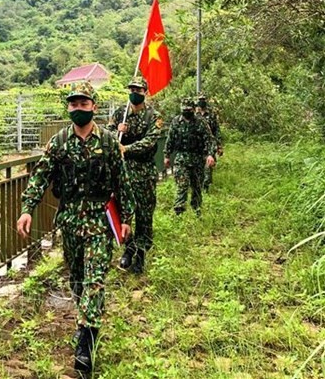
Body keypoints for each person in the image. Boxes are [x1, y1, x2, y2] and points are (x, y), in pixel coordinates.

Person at [16, 82, 135, 374]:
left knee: (95, 279)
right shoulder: (58, 142)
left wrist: (128, 217)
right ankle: (86, 319)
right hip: (69, 219)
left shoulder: (107, 142)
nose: (78, 109)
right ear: (68, 107)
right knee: (78, 279)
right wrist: (27, 209)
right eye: (73, 104)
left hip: (98, 220)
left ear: (94, 106)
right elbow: (40, 176)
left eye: (83, 104)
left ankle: (86, 341)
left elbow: (122, 181)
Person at [107, 77, 163, 274]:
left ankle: (140, 255)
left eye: (138, 90)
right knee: (125, 213)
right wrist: (117, 133)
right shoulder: (120, 114)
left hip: (144, 172)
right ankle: (128, 250)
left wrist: (126, 148)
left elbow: (150, 142)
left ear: (145, 92)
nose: (134, 93)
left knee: (144, 215)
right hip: (124, 172)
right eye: (131, 89)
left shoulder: (153, 116)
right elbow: (108, 136)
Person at [163, 98, 217, 216]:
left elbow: (209, 139)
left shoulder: (201, 122)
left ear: (193, 109)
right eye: (184, 109)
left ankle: (196, 209)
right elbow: (170, 139)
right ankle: (179, 212)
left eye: (189, 109)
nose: (186, 111)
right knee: (182, 185)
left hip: (197, 159)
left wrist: (210, 154)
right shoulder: (176, 121)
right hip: (181, 159)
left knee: (197, 186)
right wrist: (166, 155)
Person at [196, 93, 223, 191]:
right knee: (198, 168)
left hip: (209, 144)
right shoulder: (195, 115)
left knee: (208, 167)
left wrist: (219, 145)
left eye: (203, 99)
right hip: (198, 145)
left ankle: (206, 189)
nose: (201, 101)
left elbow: (217, 130)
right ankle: (199, 187)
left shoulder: (211, 115)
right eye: (200, 99)